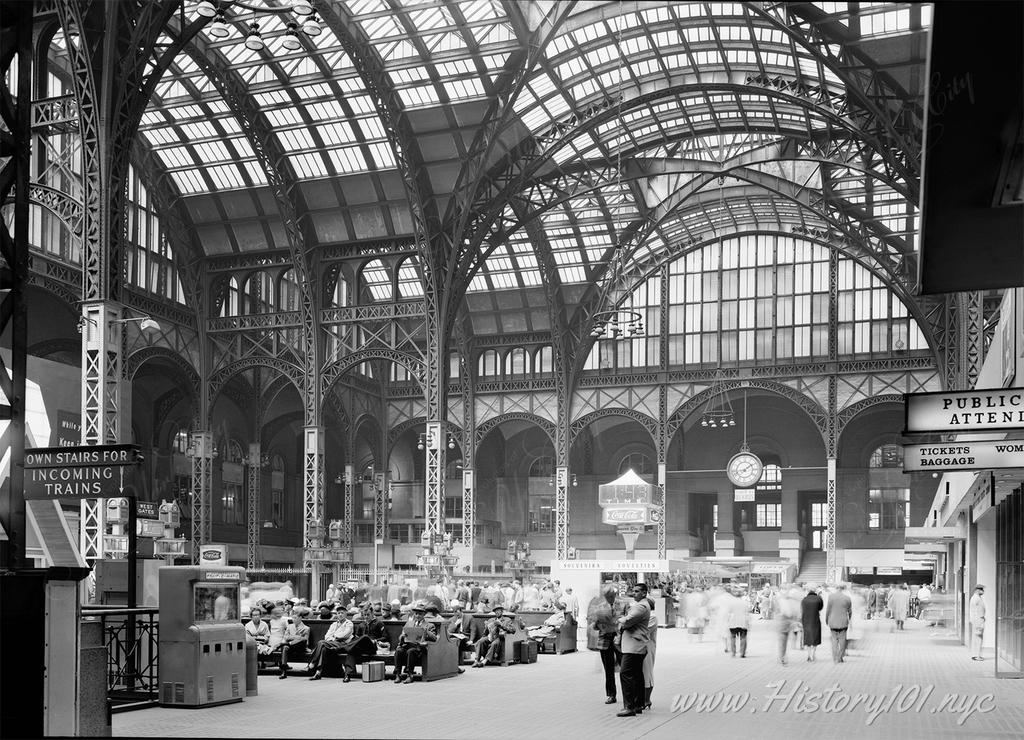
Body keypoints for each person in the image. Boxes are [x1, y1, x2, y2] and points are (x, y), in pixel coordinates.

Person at [615, 583, 651, 717]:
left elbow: (627, 621)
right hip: (636, 645)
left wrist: (618, 619)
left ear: (644, 593)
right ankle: (638, 704)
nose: (634, 593)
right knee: (636, 675)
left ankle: (629, 706)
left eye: (637, 591)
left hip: (634, 646)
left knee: (625, 673)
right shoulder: (641, 605)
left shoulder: (641, 606)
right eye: (633, 591)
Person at [588, 585, 621, 706]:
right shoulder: (600, 607)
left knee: (625, 668)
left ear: (615, 595)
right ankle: (611, 695)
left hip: (619, 639)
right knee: (608, 669)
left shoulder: (623, 605)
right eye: (607, 597)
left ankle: (629, 694)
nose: (609, 599)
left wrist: (616, 623)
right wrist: (597, 624)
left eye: (611, 596)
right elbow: (593, 625)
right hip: (605, 640)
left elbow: (627, 620)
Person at [392, 601, 437, 684]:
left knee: (411, 651)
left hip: (419, 648)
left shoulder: (429, 625)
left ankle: (410, 675)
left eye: (420, 614)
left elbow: (434, 638)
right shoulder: (409, 624)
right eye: (416, 614)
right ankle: (398, 675)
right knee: (399, 651)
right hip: (408, 645)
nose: (417, 616)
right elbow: (401, 637)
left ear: (424, 615)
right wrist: (402, 636)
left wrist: (426, 632)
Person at [278, 606, 311, 678]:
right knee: (285, 647)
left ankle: (287, 644)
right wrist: (297, 637)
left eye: (295, 618)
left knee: (301, 640)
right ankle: (284, 671)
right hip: (291, 647)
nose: (293, 620)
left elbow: (305, 640)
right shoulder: (290, 626)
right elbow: (286, 637)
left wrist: (292, 638)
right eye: (292, 618)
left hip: (300, 647)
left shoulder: (306, 628)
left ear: (300, 618)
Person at [825, 583, 852, 663]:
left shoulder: (831, 597)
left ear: (836, 588)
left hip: (832, 621)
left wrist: (826, 620)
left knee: (834, 640)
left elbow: (828, 610)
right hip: (843, 622)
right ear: (843, 589)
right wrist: (849, 619)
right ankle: (840, 658)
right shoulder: (847, 598)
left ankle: (835, 658)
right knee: (842, 641)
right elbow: (850, 611)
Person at [642, 588, 658, 710]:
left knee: (647, 672)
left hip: (647, 647)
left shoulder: (652, 617)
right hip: (639, 647)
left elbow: (642, 630)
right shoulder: (645, 616)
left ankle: (647, 699)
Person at [726, 586, 751, 658]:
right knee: (743, 637)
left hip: (733, 622)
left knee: (733, 637)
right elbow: (748, 613)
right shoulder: (745, 603)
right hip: (743, 622)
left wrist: (727, 621)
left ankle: (733, 652)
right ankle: (742, 653)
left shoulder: (731, 603)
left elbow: (728, 613)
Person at [801, 584, 824, 662]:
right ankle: (813, 654)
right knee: (815, 637)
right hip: (815, 620)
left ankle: (808, 654)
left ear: (808, 590)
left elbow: (802, 609)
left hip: (806, 620)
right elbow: (820, 608)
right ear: (815, 590)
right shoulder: (818, 598)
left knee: (807, 638)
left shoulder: (804, 599)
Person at [969, 584, 986, 661]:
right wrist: (979, 621)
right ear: (977, 590)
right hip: (978, 620)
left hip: (977, 620)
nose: (983, 591)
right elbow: (975, 611)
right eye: (981, 589)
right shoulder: (976, 598)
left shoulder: (976, 598)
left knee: (977, 637)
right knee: (978, 637)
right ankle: (977, 656)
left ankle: (975, 654)